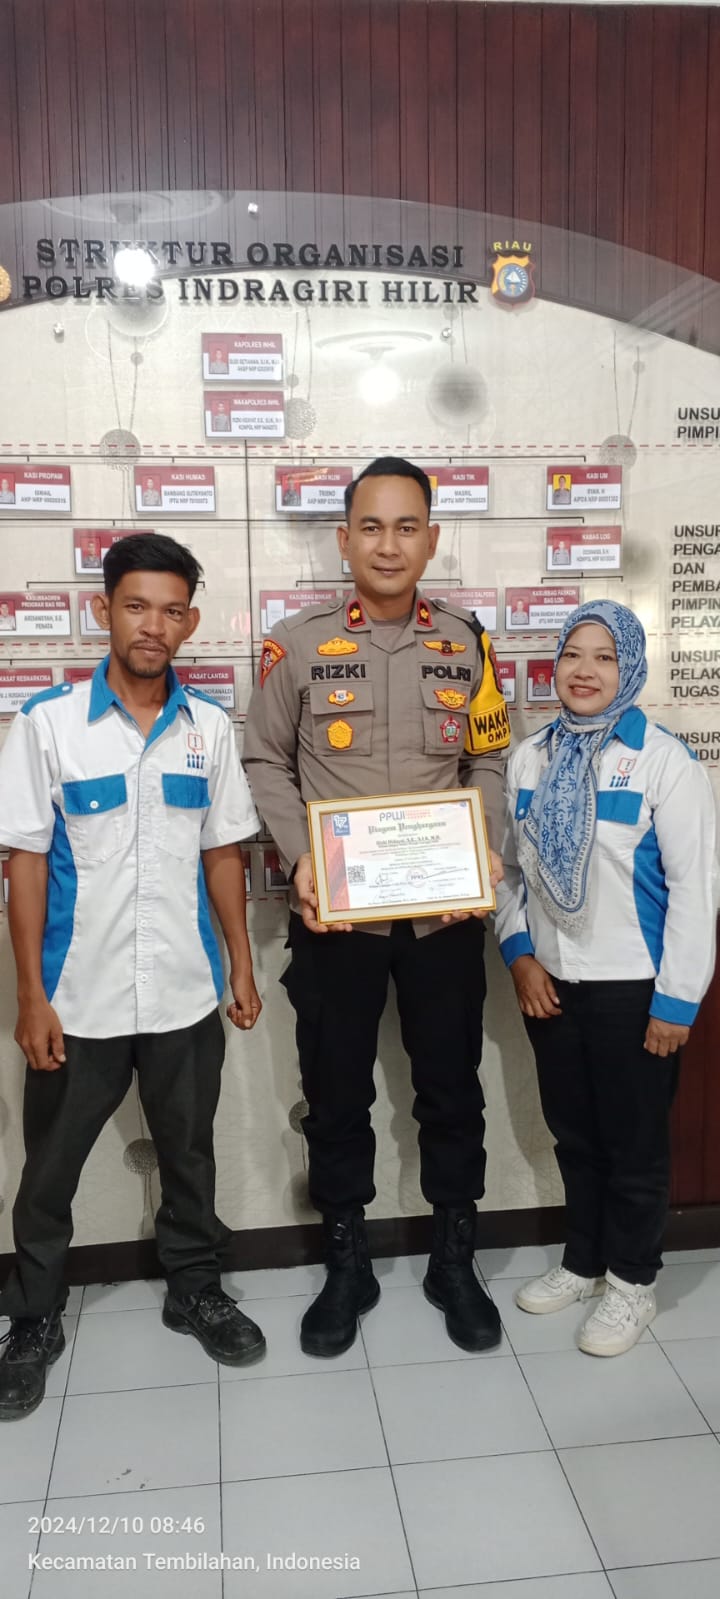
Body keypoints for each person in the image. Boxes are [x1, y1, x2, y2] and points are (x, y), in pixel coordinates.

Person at [244, 457, 510, 1358]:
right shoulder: (298, 644)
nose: (388, 544)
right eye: (371, 526)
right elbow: (264, 760)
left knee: (451, 1089)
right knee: (335, 1094)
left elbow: (489, 760)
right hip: (338, 919)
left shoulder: (466, 643)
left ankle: (453, 1259)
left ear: (431, 539)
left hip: (443, 920)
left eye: (406, 527)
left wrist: (481, 846)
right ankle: (346, 1263)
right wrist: (302, 857)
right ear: (344, 538)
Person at [0, 533, 265, 1421]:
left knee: (190, 1153)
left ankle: (196, 1288)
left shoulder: (209, 729)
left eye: (171, 610)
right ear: (104, 610)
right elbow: (25, 864)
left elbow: (223, 851)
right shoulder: (48, 725)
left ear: (191, 620)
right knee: (50, 1169)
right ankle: (35, 1313)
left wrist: (241, 960)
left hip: (185, 992)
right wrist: (31, 997)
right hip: (78, 1000)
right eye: (136, 606)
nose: (154, 625)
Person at [495, 600, 718, 1356]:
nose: (585, 670)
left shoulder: (664, 761)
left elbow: (695, 893)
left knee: (634, 1145)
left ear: (631, 668)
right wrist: (520, 956)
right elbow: (507, 875)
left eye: (605, 656)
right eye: (572, 654)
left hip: (635, 990)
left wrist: (676, 1003)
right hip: (551, 986)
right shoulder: (530, 758)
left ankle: (632, 1282)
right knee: (574, 1136)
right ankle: (583, 1260)